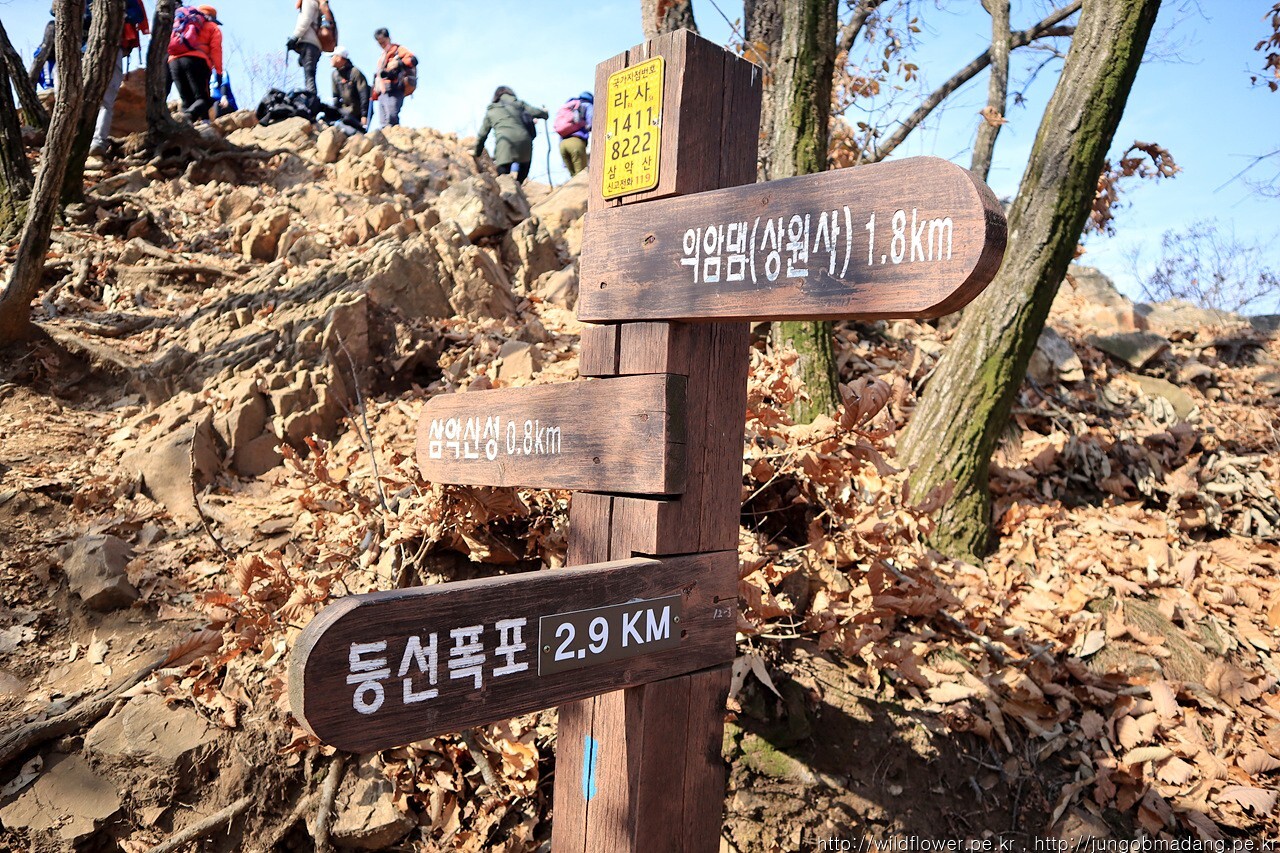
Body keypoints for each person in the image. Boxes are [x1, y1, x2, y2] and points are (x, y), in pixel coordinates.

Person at [91, 0, 149, 156]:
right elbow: (137, 15)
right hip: (113, 46)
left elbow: (54, 11)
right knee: (107, 100)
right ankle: (97, 141)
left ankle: (79, 140)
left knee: (84, 97)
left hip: (86, 48)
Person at [473, 86, 547, 184]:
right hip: (524, 142)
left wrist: (477, 152)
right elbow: (536, 112)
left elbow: (482, 134)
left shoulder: (491, 110)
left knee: (503, 176)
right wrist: (545, 113)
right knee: (522, 173)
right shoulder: (519, 104)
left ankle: (508, 190)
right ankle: (518, 187)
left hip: (504, 143)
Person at [167, 5, 223, 121]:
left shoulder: (182, 24)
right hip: (197, 61)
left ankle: (185, 127)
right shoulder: (212, 27)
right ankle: (187, 119)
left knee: (187, 101)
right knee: (203, 99)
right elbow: (216, 49)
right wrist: (218, 72)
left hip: (173, 62)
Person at [371, 28, 416, 128]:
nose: (382, 45)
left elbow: (413, 60)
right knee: (383, 122)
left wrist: (398, 63)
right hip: (382, 91)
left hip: (395, 87)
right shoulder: (382, 56)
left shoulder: (398, 50)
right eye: (380, 43)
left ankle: (396, 135)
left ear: (389, 38)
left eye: (383, 42)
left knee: (392, 117)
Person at [286, 0, 323, 98]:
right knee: (309, 73)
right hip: (316, 44)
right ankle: (311, 97)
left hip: (309, 43)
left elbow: (306, 19)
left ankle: (311, 99)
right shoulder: (317, 3)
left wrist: (295, 37)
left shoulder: (308, 1)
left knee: (309, 74)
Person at [554, 91, 593, 177]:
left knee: (573, 177)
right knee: (582, 176)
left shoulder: (569, 106)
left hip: (562, 145)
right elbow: (591, 121)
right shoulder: (587, 105)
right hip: (576, 142)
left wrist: (563, 163)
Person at [330, 46, 369, 130]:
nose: (331, 59)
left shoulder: (355, 72)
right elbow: (336, 97)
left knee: (359, 133)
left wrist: (364, 116)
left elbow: (364, 95)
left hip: (358, 112)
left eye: (332, 56)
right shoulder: (335, 75)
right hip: (345, 112)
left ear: (339, 58)